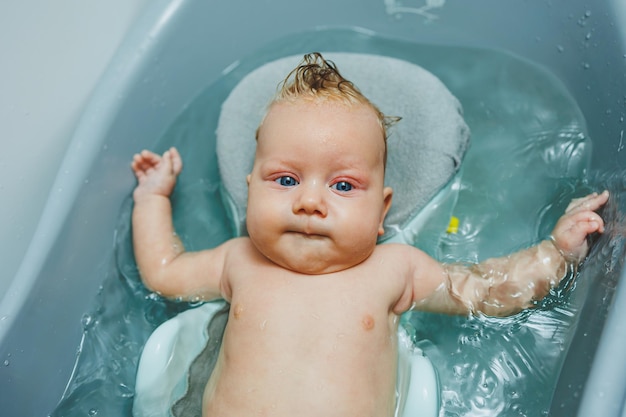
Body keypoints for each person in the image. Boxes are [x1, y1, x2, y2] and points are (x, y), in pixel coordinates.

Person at [131, 53, 608, 417]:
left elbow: (487, 290)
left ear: (381, 211)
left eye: (342, 186)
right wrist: (152, 199)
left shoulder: (394, 269)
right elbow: (163, 272)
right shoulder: (237, 261)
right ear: (250, 189)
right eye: (286, 180)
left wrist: (556, 252)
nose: (309, 201)